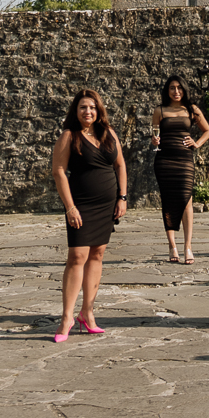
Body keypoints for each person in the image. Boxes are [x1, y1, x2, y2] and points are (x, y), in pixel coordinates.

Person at [51, 88, 130, 342]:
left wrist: (123, 197)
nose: (88, 111)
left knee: (97, 254)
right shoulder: (69, 136)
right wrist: (70, 207)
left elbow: (120, 165)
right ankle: (67, 317)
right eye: (83, 107)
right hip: (81, 203)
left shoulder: (108, 134)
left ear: (99, 111)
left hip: (107, 204)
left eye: (93, 108)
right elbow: (59, 172)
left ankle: (88, 313)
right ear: (76, 111)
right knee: (77, 256)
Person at [152, 75, 209, 264]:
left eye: (179, 88)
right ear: (167, 90)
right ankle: (172, 246)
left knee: (187, 200)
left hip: (185, 159)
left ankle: (188, 247)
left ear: (184, 90)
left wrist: (197, 143)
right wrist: (154, 140)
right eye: (172, 88)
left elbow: (208, 130)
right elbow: (154, 136)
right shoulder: (159, 111)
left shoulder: (192, 109)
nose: (176, 91)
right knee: (168, 200)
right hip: (164, 160)